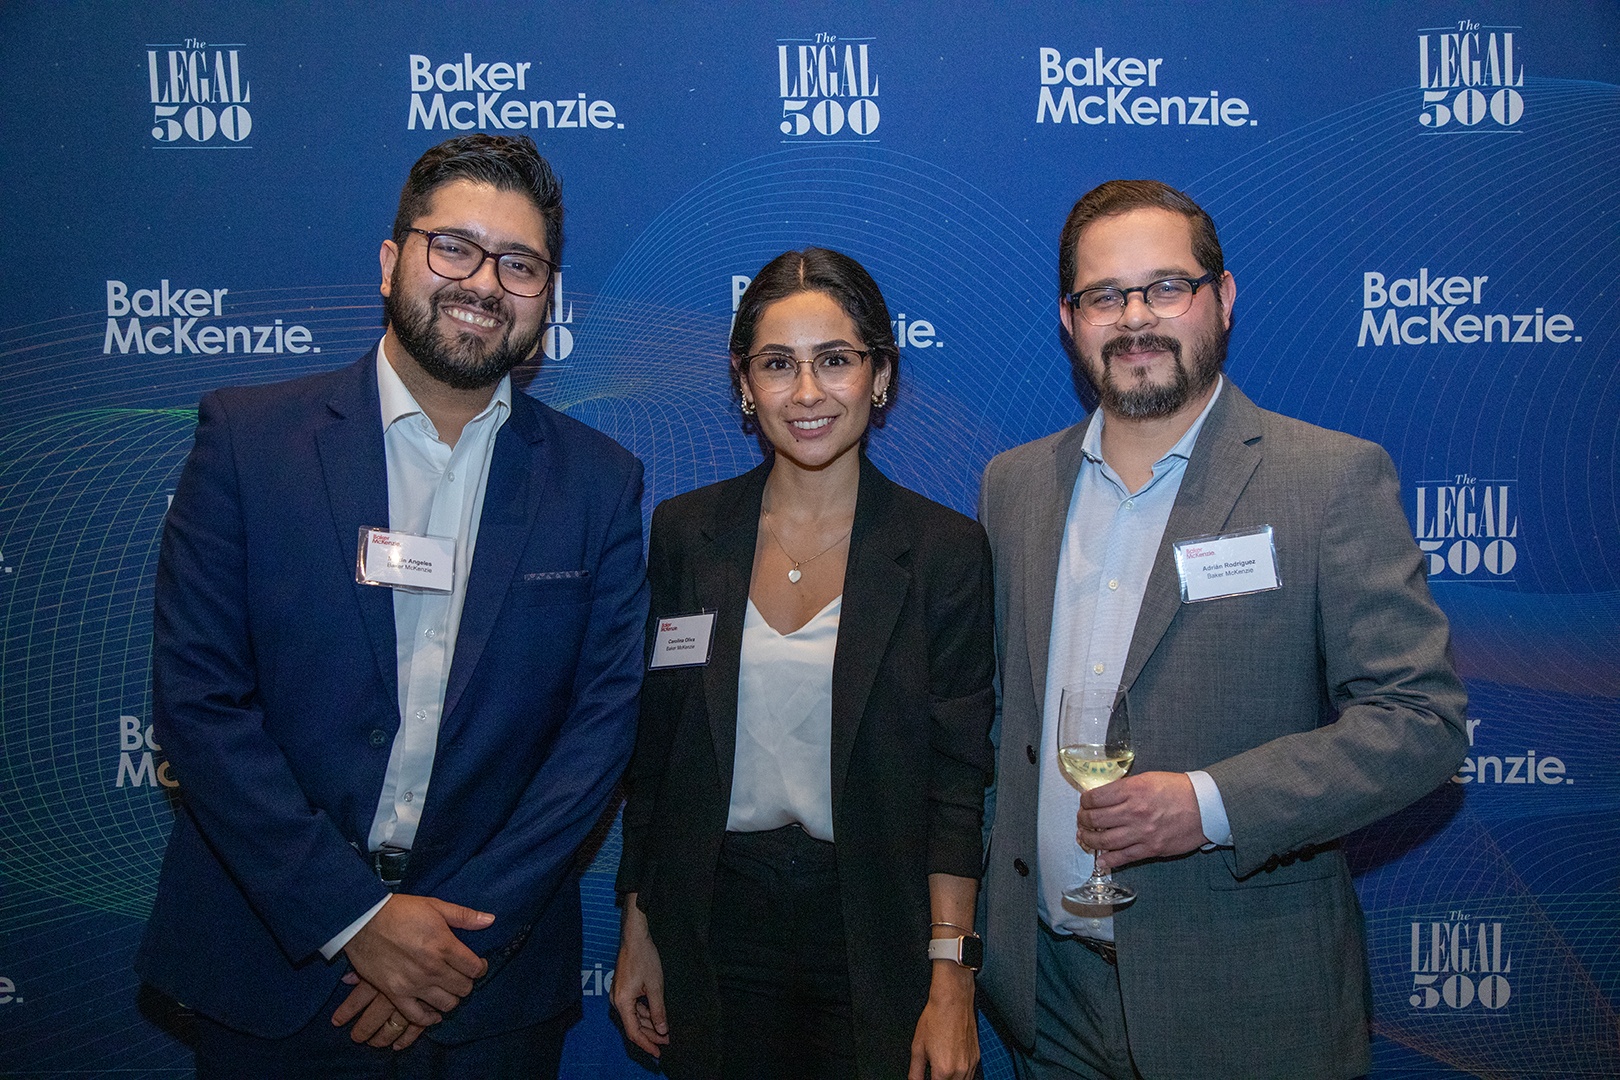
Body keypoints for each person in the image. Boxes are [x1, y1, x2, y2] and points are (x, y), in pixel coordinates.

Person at [135, 133, 648, 1078]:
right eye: (453, 247)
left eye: (520, 264)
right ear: (389, 261)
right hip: (275, 971)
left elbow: (599, 731)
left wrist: (450, 947)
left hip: (484, 989)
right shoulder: (251, 443)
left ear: (547, 297)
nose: (483, 282)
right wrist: (353, 918)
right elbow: (200, 703)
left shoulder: (598, 482)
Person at [975, 180, 1469, 1079]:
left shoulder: (1328, 480)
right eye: (1104, 296)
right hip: (1047, 1000)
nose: (1135, 319)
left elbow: (1421, 723)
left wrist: (1207, 806)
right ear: (1070, 319)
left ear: (1223, 297)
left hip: (1245, 1002)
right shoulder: (1014, 487)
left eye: (1167, 287)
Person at [609, 248, 996, 1080]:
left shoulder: (944, 552)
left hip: (875, 928)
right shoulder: (686, 533)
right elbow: (658, 753)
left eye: (836, 361)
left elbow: (957, 785)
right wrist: (638, 923)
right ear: (744, 384)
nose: (808, 392)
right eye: (779, 364)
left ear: (880, 376)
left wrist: (952, 973)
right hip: (713, 923)